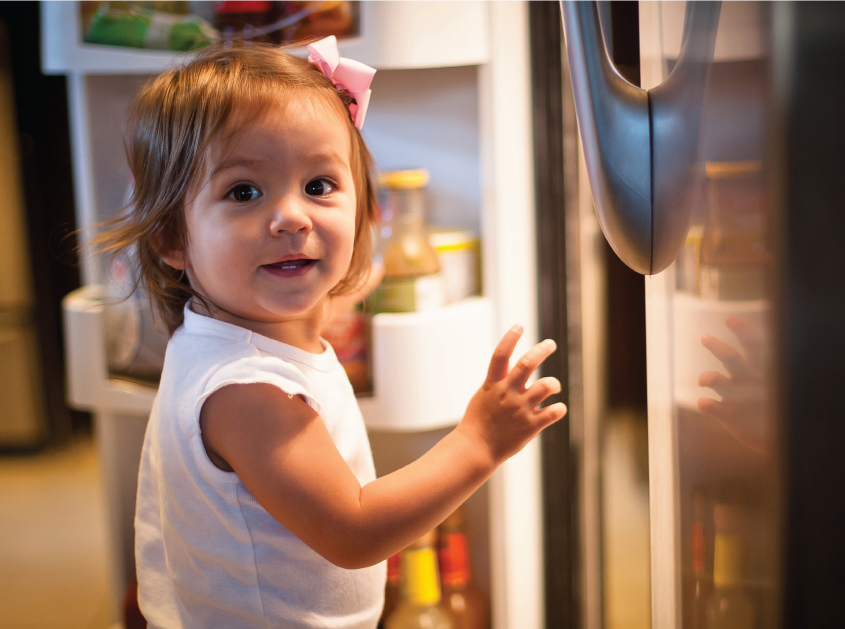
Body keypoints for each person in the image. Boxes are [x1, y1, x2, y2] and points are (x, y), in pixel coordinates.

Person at [96, 37, 567, 628]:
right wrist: (479, 441)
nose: (293, 215)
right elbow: (355, 530)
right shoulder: (248, 393)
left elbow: (338, 271)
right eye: (244, 192)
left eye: (319, 186)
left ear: (365, 211)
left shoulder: (232, 332)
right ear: (172, 238)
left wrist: (347, 277)